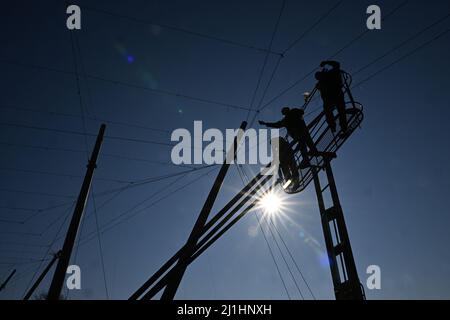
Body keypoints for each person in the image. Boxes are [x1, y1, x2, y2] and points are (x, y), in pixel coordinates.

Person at [315, 60, 348, 134]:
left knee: (340, 111)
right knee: (329, 111)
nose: (319, 78)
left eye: (319, 76)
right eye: (318, 78)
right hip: (330, 98)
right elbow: (323, 95)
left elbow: (337, 64)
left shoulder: (331, 73)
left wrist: (326, 62)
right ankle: (333, 126)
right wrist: (319, 87)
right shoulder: (321, 84)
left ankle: (343, 128)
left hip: (336, 95)